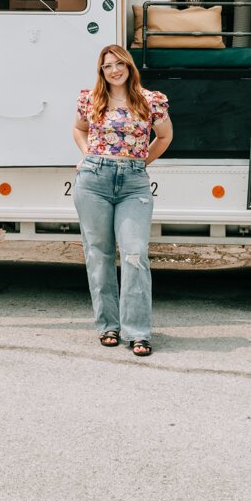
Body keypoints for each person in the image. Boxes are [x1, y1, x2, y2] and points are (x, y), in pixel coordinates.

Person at [71, 44, 174, 357]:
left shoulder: (151, 100)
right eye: (107, 66)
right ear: (101, 71)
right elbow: (78, 130)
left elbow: (165, 137)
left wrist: (141, 163)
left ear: (129, 66)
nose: (113, 70)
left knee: (134, 253)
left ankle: (138, 333)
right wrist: (88, 155)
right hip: (94, 181)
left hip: (133, 184)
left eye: (118, 64)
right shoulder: (91, 99)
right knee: (99, 254)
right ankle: (108, 326)